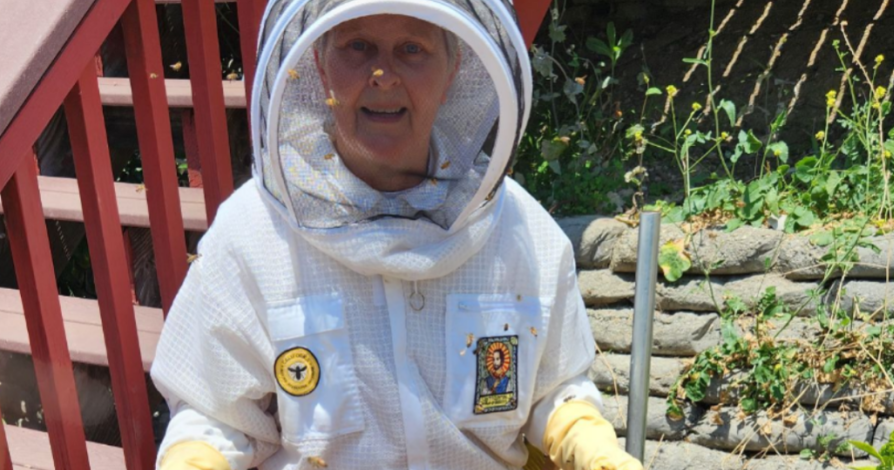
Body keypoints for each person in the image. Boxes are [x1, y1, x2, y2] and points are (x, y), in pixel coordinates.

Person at [152, 1, 643, 469]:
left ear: (453, 70)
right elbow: (215, 413)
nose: (383, 75)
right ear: (319, 67)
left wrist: (582, 436)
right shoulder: (254, 235)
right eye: (357, 46)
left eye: (412, 48)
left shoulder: (520, 230)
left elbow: (553, 389)